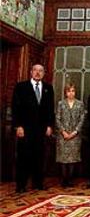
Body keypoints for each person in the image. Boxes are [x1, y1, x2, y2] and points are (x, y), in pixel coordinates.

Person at [12, 64, 54, 193]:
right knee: (23, 156)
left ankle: (38, 183)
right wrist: (18, 126)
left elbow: (50, 109)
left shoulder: (48, 88)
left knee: (39, 156)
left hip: (41, 129)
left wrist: (49, 126)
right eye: (35, 70)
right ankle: (21, 185)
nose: (38, 73)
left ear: (44, 73)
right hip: (25, 128)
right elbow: (15, 107)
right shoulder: (21, 87)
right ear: (31, 72)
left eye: (40, 71)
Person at [55, 83, 85, 187]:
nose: (71, 93)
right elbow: (57, 118)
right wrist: (63, 131)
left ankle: (70, 179)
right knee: (63, 158)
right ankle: (64, 179)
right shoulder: (61, 104)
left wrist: (75, 132)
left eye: (73, 91)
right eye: (69, 91)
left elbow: (82, 119)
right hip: (63, 135)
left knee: (73, 158)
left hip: (75, 135)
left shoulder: (80, 104)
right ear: (65, 92)